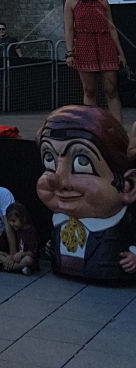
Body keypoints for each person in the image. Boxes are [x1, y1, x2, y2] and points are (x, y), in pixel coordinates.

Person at [36, 104, 136, 284]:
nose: (59, 181)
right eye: (50, 161)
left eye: (82, 163)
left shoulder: (125, 224)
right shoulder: (59, 221)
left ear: (128, 185)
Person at [63, 0, 126, 124]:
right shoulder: (71, 3)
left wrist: (120, 53)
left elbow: (112, 28)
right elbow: (69, 29)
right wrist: (70, 53)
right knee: (89, 90)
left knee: (111, 90)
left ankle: (118, 129)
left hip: (105, 44)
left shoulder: (102, 2)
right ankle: (92, 127)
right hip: (85, 45)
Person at [0, 202, 39, 274]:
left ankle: (11, 268)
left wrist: (22, 254)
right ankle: (17, 268)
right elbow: (5, 234)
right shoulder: (14, 230)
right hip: (13, 257)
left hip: (25, 257)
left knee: (28, 260)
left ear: (23, 218)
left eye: (14, 221)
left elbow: (34, 252)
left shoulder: (31, 231)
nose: (11, 224)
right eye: (9, 221)